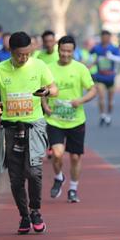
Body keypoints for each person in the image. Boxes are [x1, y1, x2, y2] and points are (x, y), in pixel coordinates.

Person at [0, 31, 57, 235]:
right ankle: (23, 215)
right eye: (19, 55)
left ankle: (36, 210)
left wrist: (47, 92)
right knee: (15, 178)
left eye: (27, 54)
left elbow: (54, 88)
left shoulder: (39, 66)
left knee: (33, 171)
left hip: (34, 125)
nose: (23, 58)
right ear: (10, 51)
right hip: (10, 127)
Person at [42, 35, 97, 203]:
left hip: (76, 120)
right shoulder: (48, 68)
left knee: (75, 157)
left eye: (69, 51)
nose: (65, 54)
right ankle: (59, 177)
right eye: (63, 51)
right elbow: (42, 90)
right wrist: (45, 105)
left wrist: (80, 100)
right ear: (58, 50)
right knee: (57, 154)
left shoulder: (80, 68)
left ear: (74, 51)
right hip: (55, 120)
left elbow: (92, 90)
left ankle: (73, 189)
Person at [89, 30, 120, 126]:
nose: (105, 39)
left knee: (111, 101)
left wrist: (111, 57)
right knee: (101, 97)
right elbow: (90, 55)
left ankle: (108, 116)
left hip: (111, 77)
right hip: (100, 76)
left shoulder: (114, 48)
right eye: (103, 37)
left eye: (107, 37)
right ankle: (102, 115)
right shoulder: (97, 48)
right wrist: (93, 61)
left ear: (109, 38)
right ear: (101, 38)